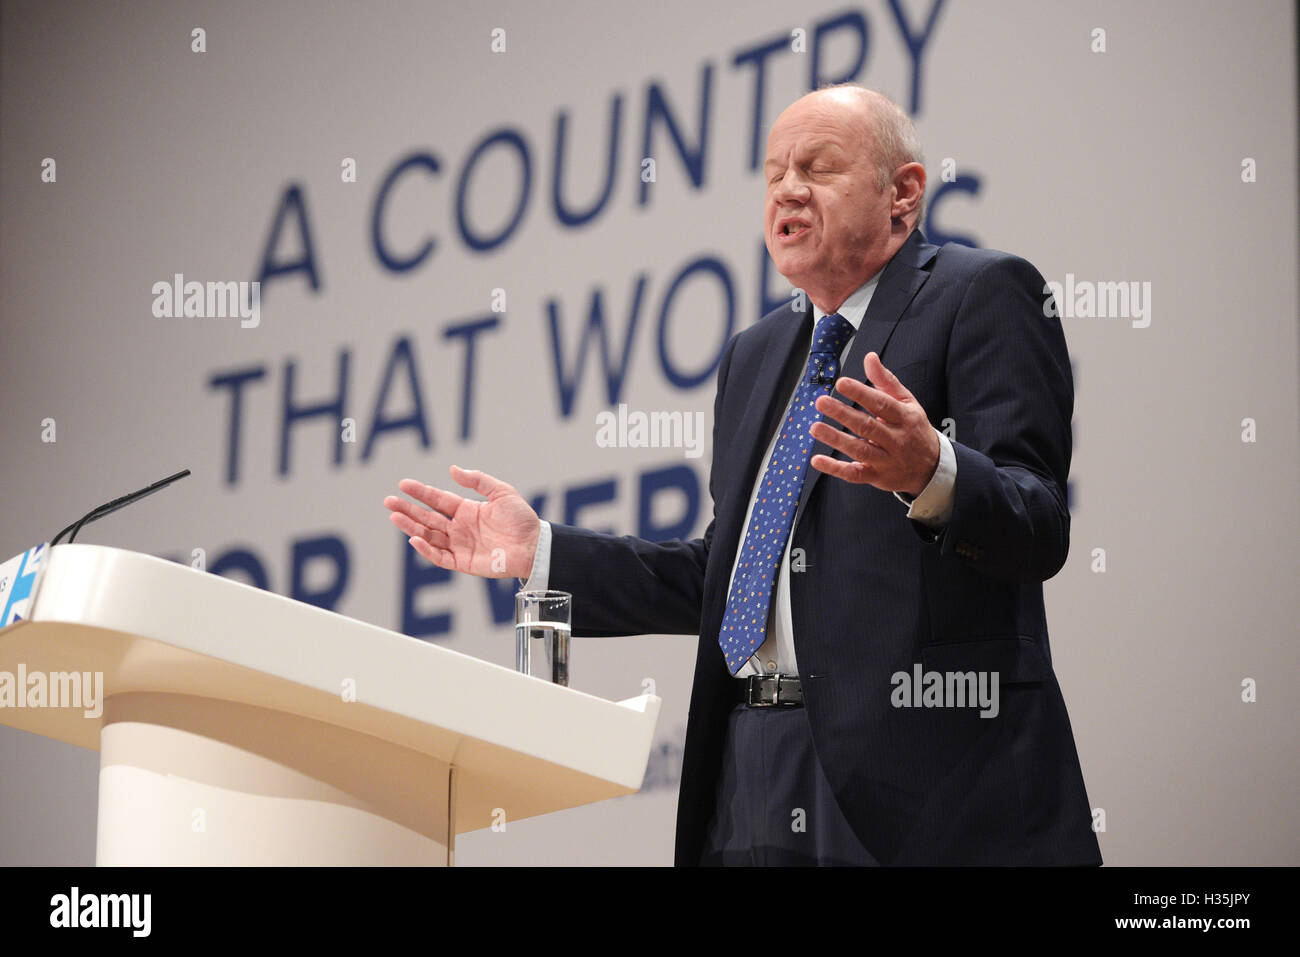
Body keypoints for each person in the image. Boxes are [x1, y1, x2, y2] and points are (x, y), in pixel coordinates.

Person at [384, 84, 1101, 866]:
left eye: (820, 166)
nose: (788, 189)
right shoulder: (757, 355)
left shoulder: (982, 294)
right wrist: (541, 553)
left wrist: (932, 470)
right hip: (750, 765)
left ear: (904, 195)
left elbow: (1038, 522)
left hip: (925, 779)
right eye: (773, 174)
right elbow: (728, 574)